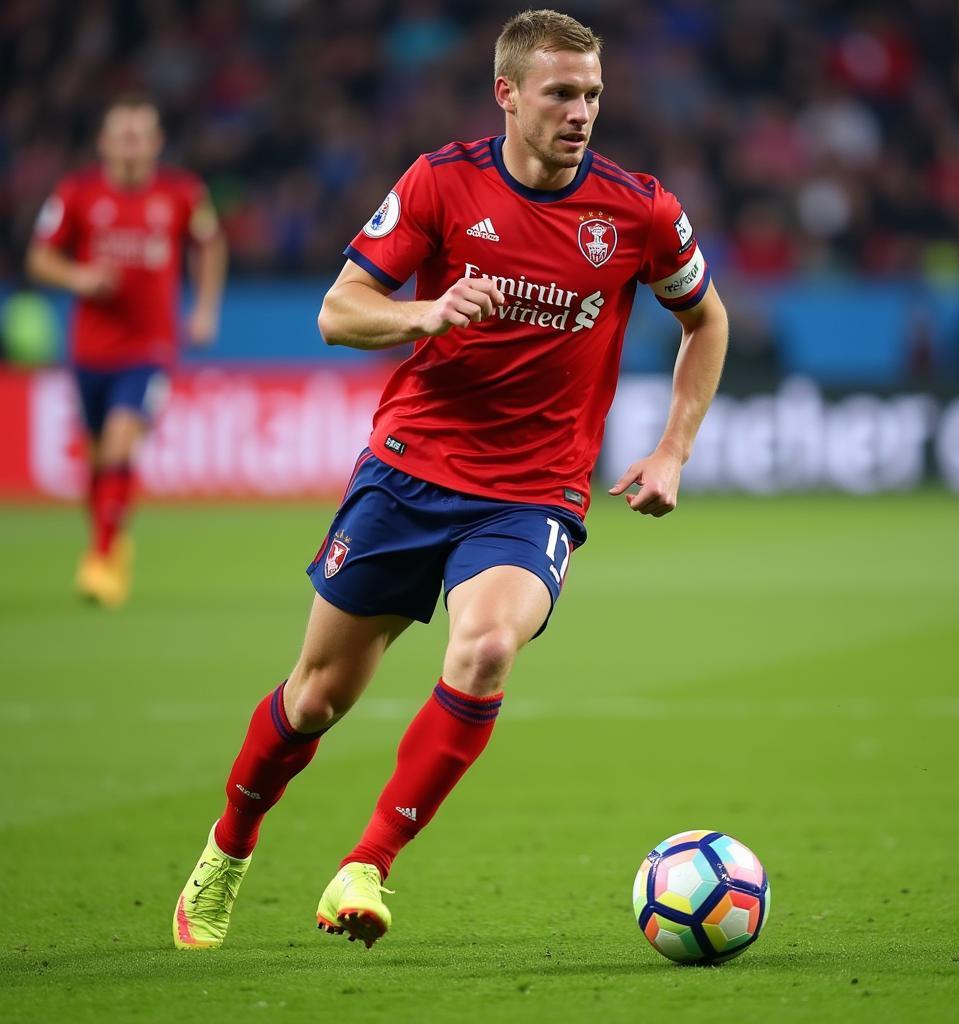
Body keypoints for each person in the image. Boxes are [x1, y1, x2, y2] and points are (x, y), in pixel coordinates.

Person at [172, 8, 728, 951]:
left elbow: (705, 321)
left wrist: (673, 447)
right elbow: (338, 313)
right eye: (561, 93)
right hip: (408, 473)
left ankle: (368, 864)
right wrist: (425, 312)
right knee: (315, 698)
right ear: (507, 93)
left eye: (593, 93)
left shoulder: (638, 210)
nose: (582, 111)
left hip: (533, 491)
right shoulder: (441, 182)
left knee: (483, 651)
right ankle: (230, 844)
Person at [26, 94, 227, 608]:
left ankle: (99, 557)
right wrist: (81, 277)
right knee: (96, 462)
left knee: (120, 442)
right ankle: (111, 541)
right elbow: (40, 259)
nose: (132, 144)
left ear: (157, 142)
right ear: (105, 142)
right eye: (123, 134)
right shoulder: (77, 193)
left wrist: (204, 310)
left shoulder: (182, 193)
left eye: (141, 134)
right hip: (91, 348)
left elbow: (211, 245)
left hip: (150, 347)